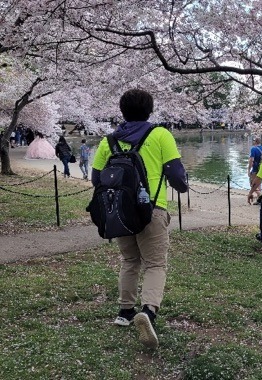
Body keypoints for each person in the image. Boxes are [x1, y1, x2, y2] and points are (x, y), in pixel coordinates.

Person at [91, 88, 188, 349]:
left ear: (121, 111)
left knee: (130, 260)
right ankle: (149, 311)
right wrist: (181, 186)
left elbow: (96, 179)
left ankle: (125, 312)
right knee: (155, 264)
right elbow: (177, 175)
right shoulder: (160, 134)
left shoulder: (108, 141)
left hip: (119, 212)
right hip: (152, 209)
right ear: (150, 109)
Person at [247, 136, 262, 205]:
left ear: (255, 142)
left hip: (255, 169)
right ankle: (259, 200)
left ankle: (261, 196)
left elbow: (251, 160)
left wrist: (248, 169)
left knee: (252, 184)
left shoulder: (253, 149)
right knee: (259, 184)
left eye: (254, 141)